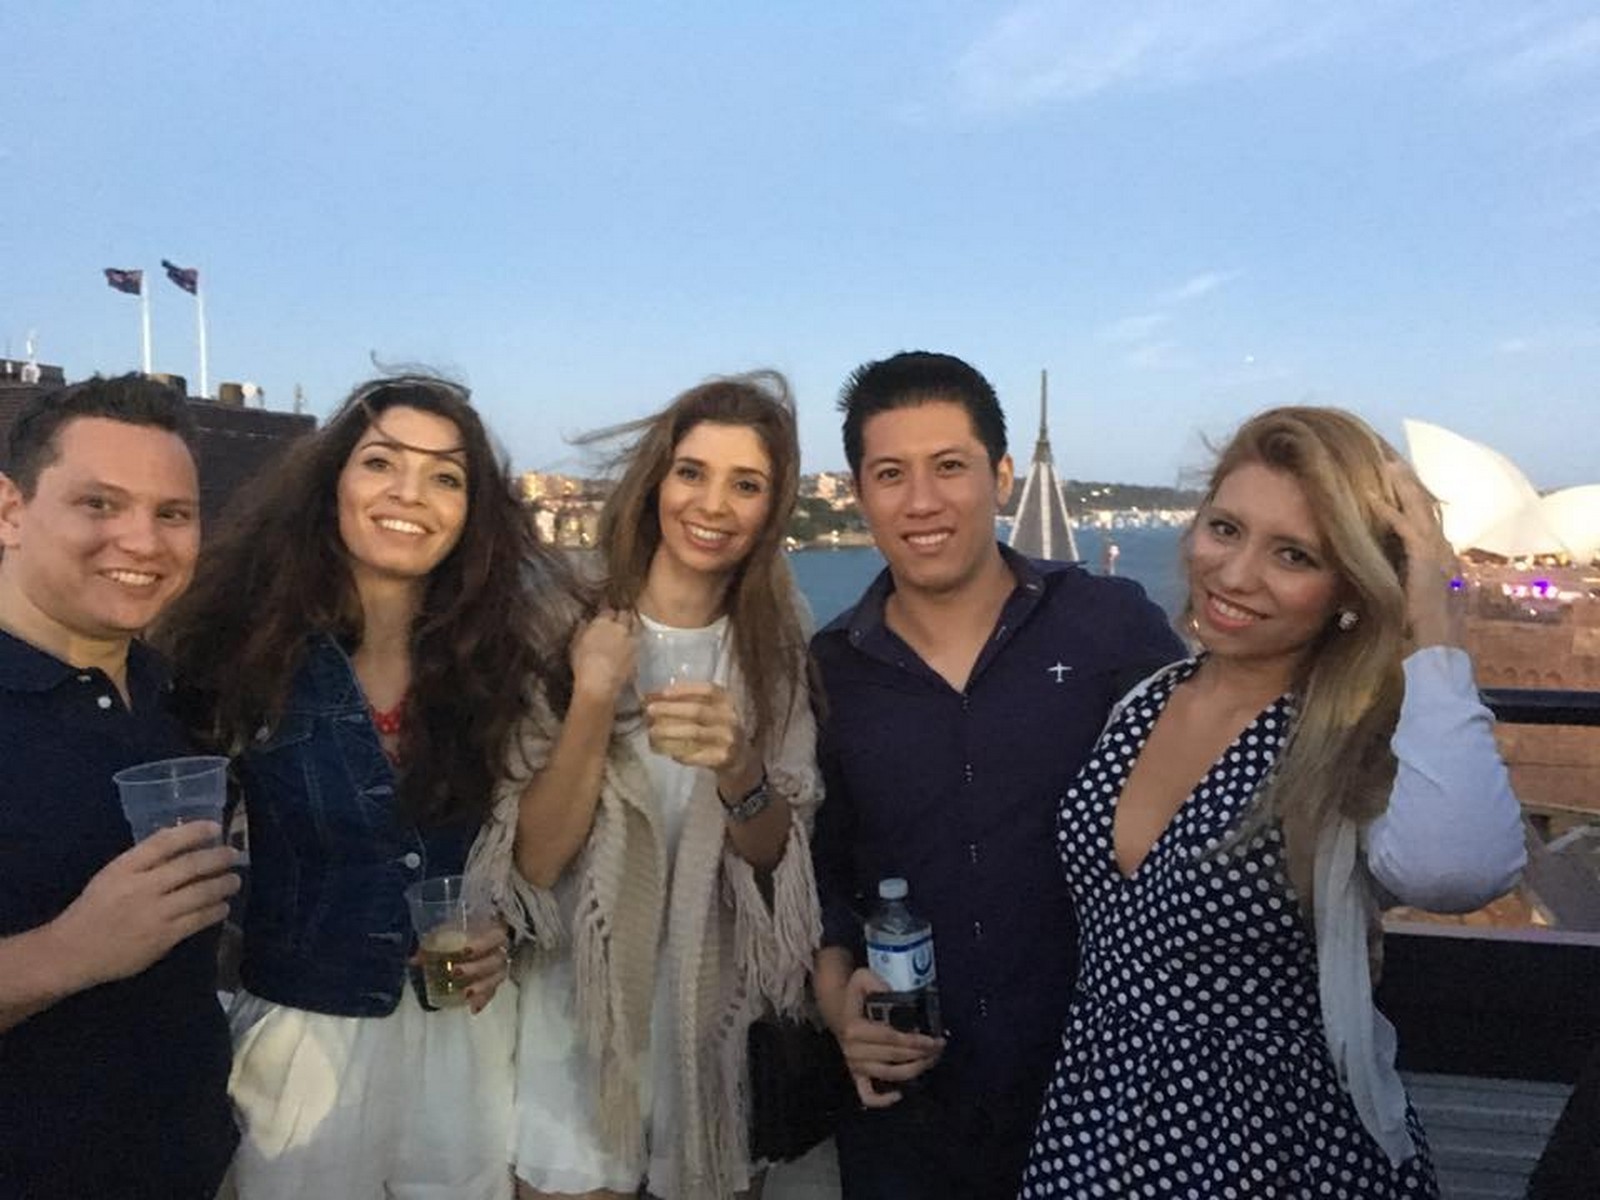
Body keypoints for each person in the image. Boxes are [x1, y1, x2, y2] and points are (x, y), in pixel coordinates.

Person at [1017, 406, 1528, 1198]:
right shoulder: (1146, 702)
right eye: (1226, 529)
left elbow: (1459, 871)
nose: (1236, 573)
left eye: (1293, 554)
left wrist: (1436, 623)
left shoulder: (1351, 733)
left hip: (1272, 1144)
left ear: (1348, 587)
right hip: (1095, 1116)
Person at [158, 375, 565, 1198]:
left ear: (471, 512)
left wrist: (505, 936)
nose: (410, 493)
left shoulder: (503, 664)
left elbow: (531, 857)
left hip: (466, 1043)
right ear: (332, 482)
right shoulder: (239, 651)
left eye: (446, 475)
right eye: (382, 462)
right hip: (302, 1042)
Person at [809, 351, 1185, 1200]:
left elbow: (1223, 785)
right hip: (911, 1113)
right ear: (859, 491)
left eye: (950, 467)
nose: (923, 501)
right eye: (891, 474)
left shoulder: (1108, 627)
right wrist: (839, 1008)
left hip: (1103, 1093)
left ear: (1002, 476)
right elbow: (822, 871)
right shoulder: (830, 670)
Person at [475, 371, 822, 1199]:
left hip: (713, 1040)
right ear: (657, 479)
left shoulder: (778, 644)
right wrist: (593, 699)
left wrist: (740, 767)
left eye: (747, 485)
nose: (713, 505)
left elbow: (781, 863)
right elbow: (533, 863)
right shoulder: (561, 620)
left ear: (771, 510)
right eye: (693, 472)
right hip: (577, 1037)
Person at [0, 375, 241, 1197]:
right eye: (100, 505)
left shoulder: (178, 696)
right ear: (9, 511)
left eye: (172, 514)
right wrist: (67, 953)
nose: (143, 541)